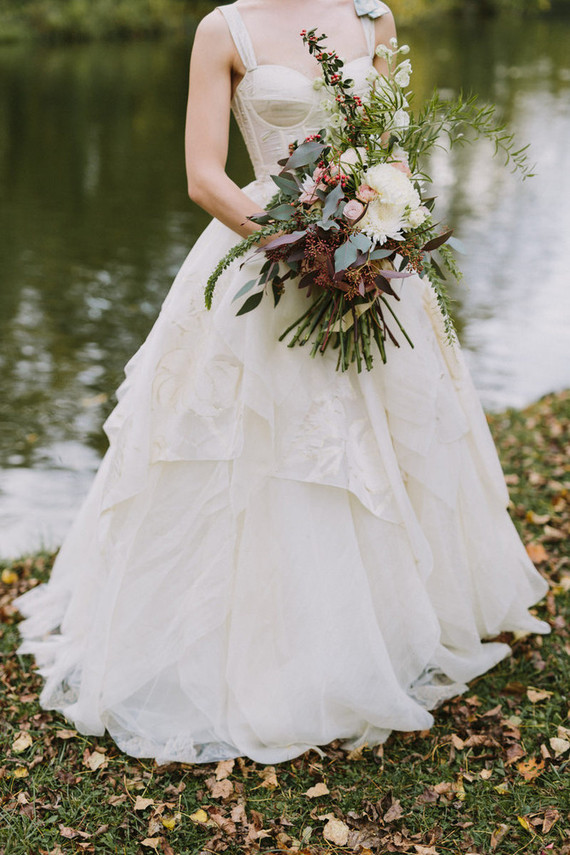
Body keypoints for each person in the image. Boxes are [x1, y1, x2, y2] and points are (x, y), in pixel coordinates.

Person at [15, 0, 550, 766]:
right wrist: (305, 247)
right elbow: (205, 176)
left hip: (375, 260)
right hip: (266, 258)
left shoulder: (374, 19)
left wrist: (379, 222)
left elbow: (392, 149)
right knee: (261, 455)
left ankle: (388, 627)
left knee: (389, 442)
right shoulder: (221, 29)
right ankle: (273, 649)